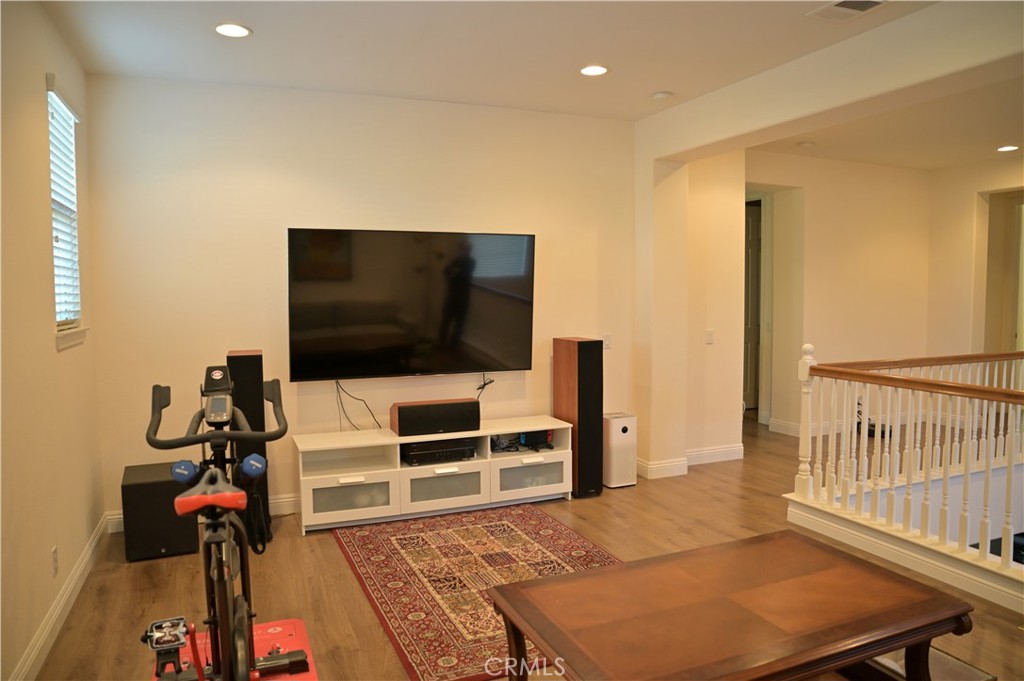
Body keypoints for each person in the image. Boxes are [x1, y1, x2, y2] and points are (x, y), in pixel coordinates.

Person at [439, 240, 475, 346]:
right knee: (445, 320)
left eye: (466, 249)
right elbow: (446, 271)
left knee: (459, 323)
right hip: (452, 295)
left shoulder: (472, 262)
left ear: (469, 250)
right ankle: (441, 342)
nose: (464, 251)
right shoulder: (456, 260)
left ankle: (454, 344)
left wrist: (454, 271)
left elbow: (462, 274)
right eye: (462, 248)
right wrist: (454, 271)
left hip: (463, 297)